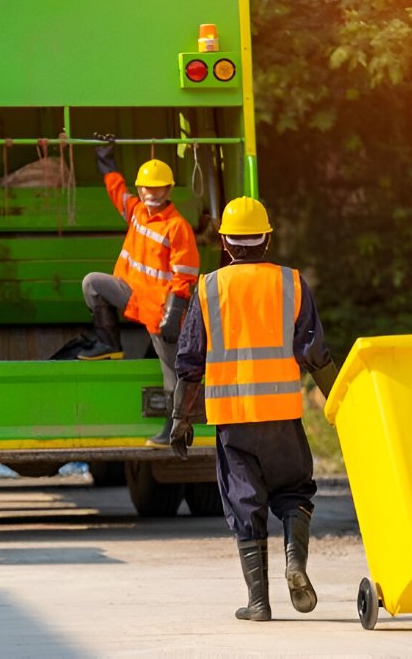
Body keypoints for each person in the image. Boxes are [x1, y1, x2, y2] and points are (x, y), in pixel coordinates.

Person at [169, 196, 338, 622]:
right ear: (266, 239)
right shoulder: (291, 283)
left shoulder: (208, 288)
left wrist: (180, 419)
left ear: (225, 243)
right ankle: (295, 562)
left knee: (245, 504)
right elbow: (315, 352)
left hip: (233, 421)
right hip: (282, 416)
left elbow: (189, 361)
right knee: (295, 492)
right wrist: (339, 402)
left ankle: (259, 603)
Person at [78, 134, 201, 447]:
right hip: (131, 292)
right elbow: (117, 191)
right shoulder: (136, 211)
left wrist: (175, 313)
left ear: (168, 189)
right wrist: (105, 160)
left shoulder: (177, 226)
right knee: (92, 282)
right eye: (146, 187)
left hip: (160, 310)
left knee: (172, 371)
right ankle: (109, 344)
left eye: (158, 187)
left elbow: (185, 273)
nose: (151, 193)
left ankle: (176, 430)